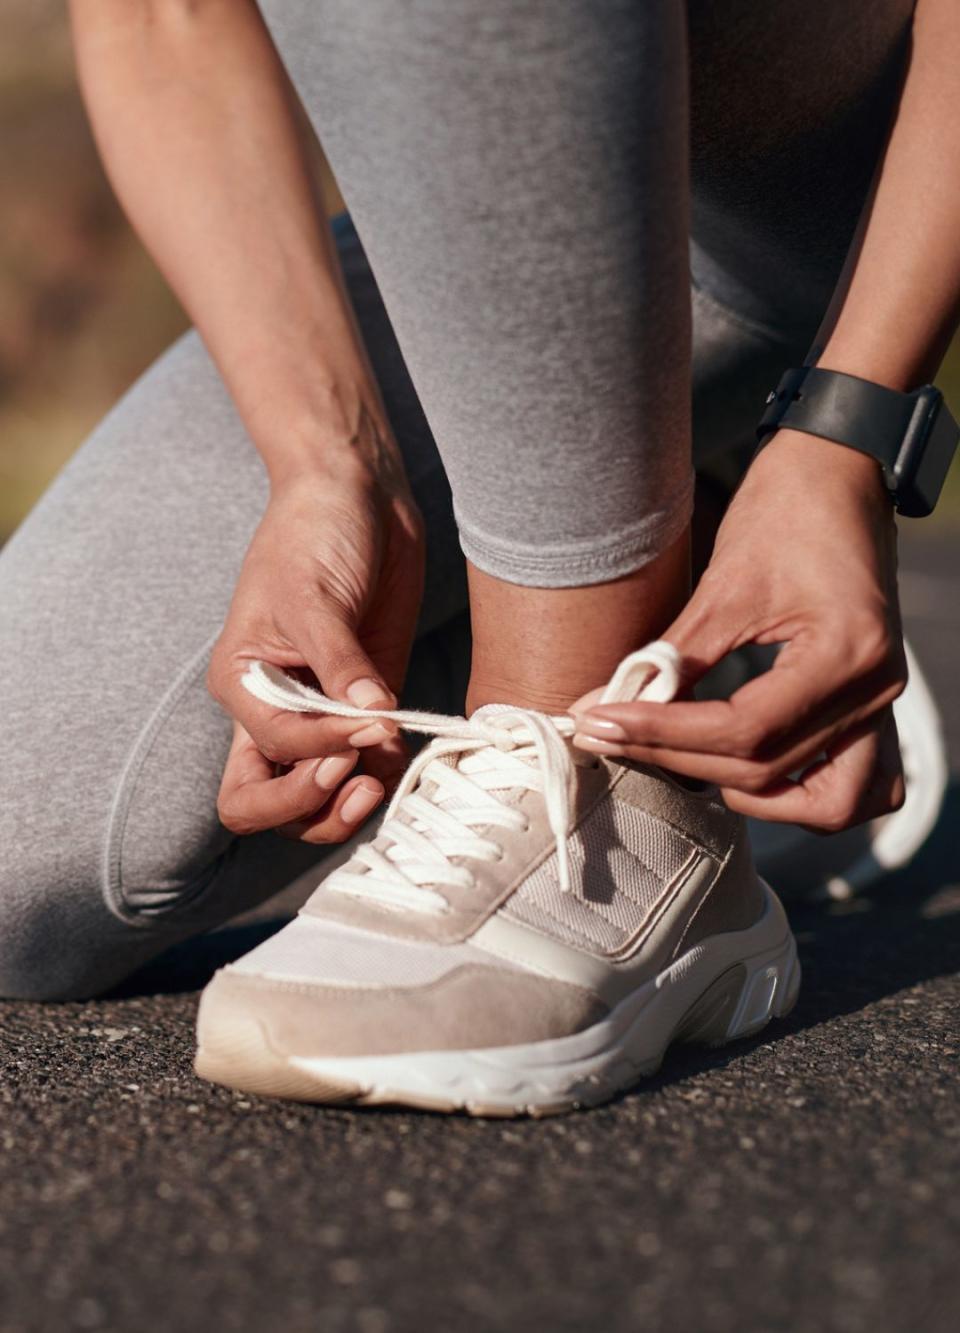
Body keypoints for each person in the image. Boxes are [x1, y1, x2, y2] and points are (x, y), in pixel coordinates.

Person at [0, 1, 956, 1113]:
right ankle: (686, 566)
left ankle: (610, 791)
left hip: (826, 181)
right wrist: (329, 469)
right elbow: (162, 19)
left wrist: (846, 438)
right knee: (25, 870)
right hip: (491, 223)